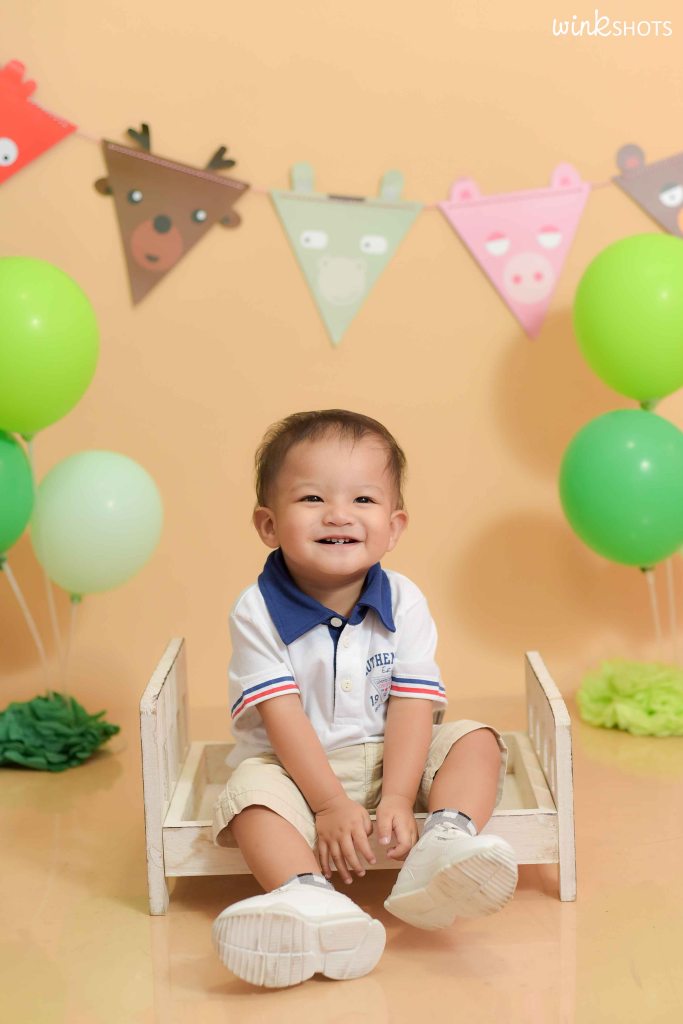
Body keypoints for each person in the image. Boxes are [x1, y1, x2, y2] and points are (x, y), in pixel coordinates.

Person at [211, 409, 516, 988]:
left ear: (394, 527)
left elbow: (411, 705)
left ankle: (445, 841)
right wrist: (327, 804)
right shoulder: (256, 610)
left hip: (393, 756)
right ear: (268, 524)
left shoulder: (405, 599)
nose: (338, 514)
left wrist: (399, 795)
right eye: (311, 498)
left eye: (363, 500)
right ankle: (311, 899)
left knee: (475, 739)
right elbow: (282, 714)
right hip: (296, 768)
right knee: (248, 800)